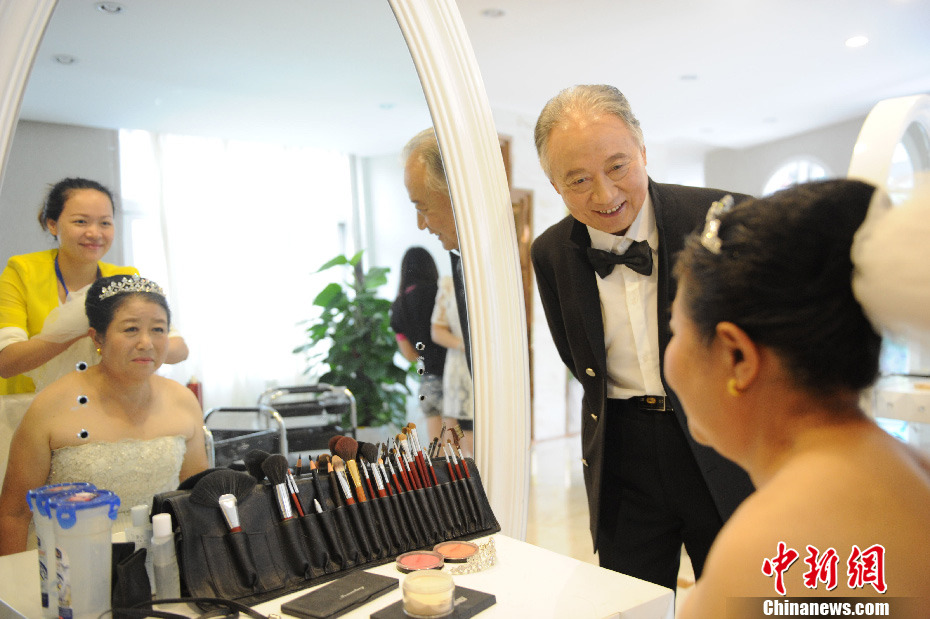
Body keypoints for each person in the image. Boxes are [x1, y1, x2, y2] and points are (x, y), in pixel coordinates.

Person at [667, 179, 930, 616]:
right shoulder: (909, 467)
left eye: (675, 331)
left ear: (737, 356)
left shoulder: (767, 552)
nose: (669, 355)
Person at [530, 84, 754, 591]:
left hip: (717, 435)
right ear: (553, 183)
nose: (604, 196)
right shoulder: (550, 253)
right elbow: (576, 356)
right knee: (629, 600)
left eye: (617, 167)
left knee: (739, 595)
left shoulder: (725, 218)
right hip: (622, 452)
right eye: (578, 180)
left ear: (643, 152)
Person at [0, 274, 208, 555]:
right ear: (97, 336)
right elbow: (14, 515)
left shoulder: (182, 400)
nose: (146, 342)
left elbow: (195, 498)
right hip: (71, 566)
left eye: (158, 330)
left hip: (162, 559)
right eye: (131, 329)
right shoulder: (50, 406)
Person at [0, 177, 188, 396]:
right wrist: (74, 329)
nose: (95, 233)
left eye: (105, 223)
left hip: (106, 406)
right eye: (81, 222)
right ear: (52, 224)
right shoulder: (22, 271)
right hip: (28, 407)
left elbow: (179, 349)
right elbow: (7, 362)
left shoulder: (125, 278)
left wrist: (129, 346)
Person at [402, 129, 471, 373]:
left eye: (423, 208)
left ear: (456, 195)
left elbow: (409, 353)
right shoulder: (452, 275)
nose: (421, 225)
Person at [390, 246, 447, 442]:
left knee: (439, 451)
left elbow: (410, 355)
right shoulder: (440, 293)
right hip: (454, 378)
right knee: (461, 448)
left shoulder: (399, 305)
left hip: (429, 384)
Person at [431, 275, 473, 455]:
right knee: (461, 435)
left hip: (492, 366)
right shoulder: (449, 285)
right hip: (460, 367)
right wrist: (464, 345)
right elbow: (437, 330)